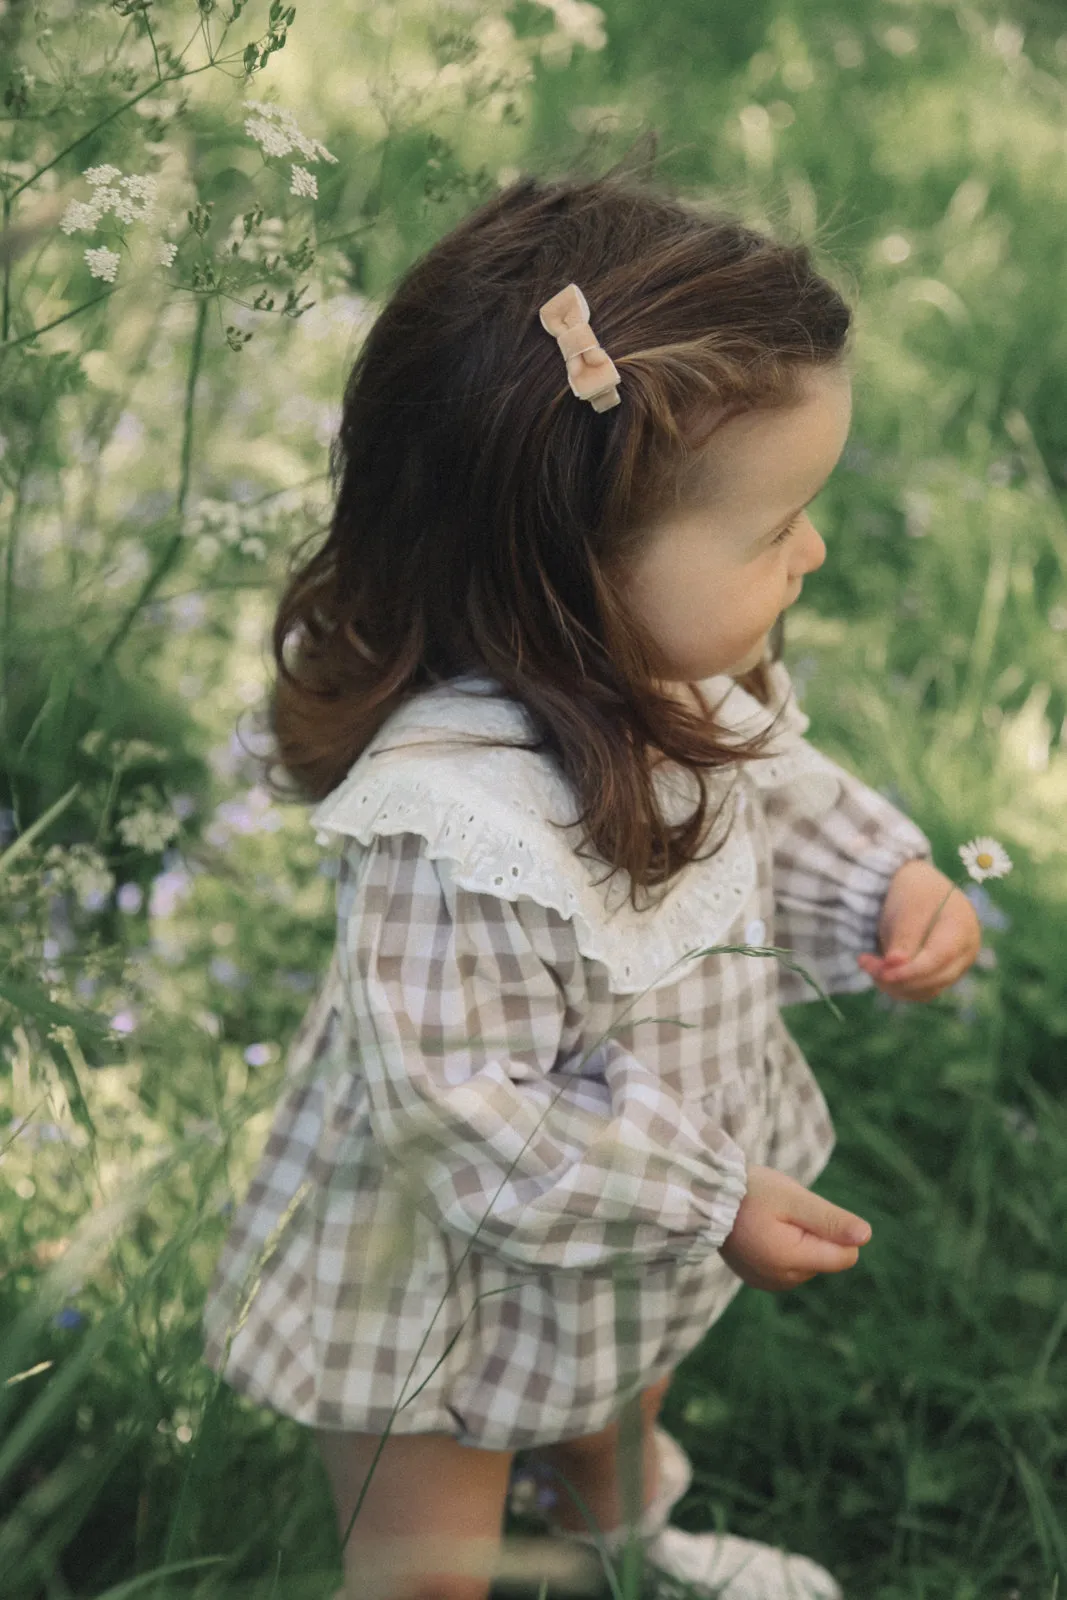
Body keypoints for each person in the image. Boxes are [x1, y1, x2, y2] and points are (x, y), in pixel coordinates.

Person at [201, 158, 981, 1600]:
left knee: (623, 1373)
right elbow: (467, 1111)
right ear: (565, 565)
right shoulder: (454, 823)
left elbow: (771, 791)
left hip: (641, 1208)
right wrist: (703, 1196)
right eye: (769, 531)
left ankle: (623, 1546)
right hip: (445, 1258)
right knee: (430, 1549)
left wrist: (889, 884)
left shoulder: (662, 675)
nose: (811, 550)